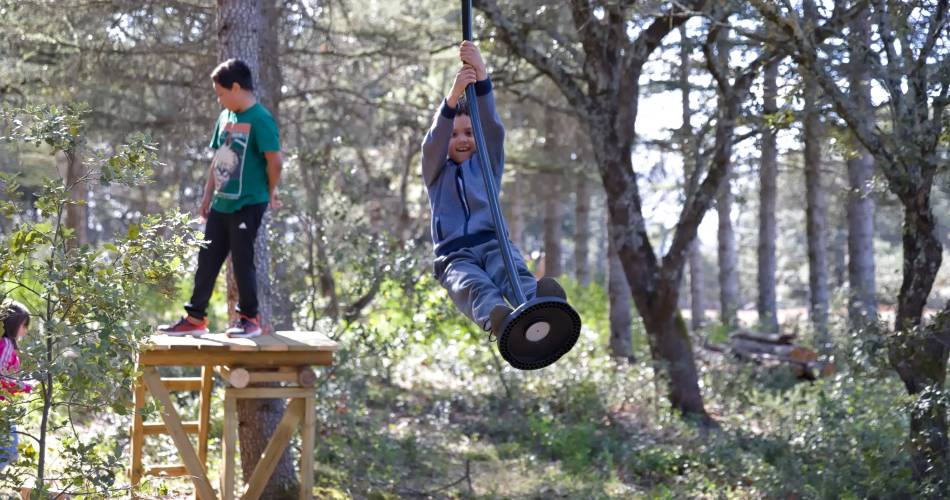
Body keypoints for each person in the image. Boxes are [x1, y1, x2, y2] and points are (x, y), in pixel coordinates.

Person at [421, 41, 566, 339]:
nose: (462, 139)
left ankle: (538, 303)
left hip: (492, 241)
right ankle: (498, 320)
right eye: (455, 134)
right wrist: (452, 98)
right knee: (473, 285)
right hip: (454, 254)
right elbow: (432, 144)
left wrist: (482, 75)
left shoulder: (487, 165)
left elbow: (493, 130)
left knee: (510, 270)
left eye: (469, 133)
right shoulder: (437, 173)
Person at [159, 58, 282, 339]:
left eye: (221, 93)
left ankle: (250, 318)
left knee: (241, 258)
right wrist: (207, 195)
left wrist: (272, 192)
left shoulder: (260, 119)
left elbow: (275, 161)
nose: (220, 100)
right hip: (222, 202)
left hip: (249, 201)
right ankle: (194, 318)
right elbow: (219, 159)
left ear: (236, 87)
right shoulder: (225, 118)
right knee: (207, 258)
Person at [0, 300, 32, 472]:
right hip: (2, 406)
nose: (25, 329)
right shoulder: (5, 345)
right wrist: (25, 386)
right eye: (24, 325)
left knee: (9, 451)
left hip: (5, 405)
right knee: (8, 451)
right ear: (12, 323)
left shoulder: (9, 345)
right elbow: (2, 377)